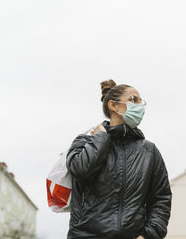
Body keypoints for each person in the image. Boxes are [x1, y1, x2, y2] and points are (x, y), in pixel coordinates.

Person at [66, 79, 172, 239]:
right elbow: (80, 170)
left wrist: (148, 235)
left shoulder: (149, 151)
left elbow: (161, 199)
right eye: (133, 100)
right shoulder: (85, 142)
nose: (139, 106)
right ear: (113, 106)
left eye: (140, 102)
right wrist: (101, 138)